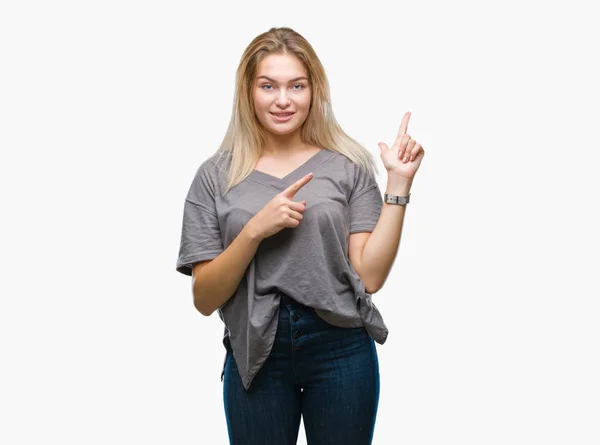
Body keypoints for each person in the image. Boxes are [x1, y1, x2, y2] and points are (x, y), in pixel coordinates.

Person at [176, 26, 425, 445]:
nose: (283, 99)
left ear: (314, 91)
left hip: (340, 346)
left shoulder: (347, 166)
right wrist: (254, 230)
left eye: (297, 85)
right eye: (268, 85)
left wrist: (398, 184)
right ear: (248, 92)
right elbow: (204, 299)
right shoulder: (215, 176)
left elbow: (370, 278)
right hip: (256, 350)